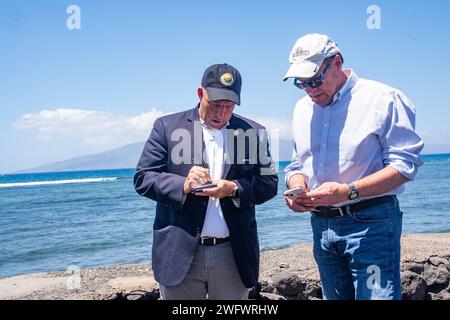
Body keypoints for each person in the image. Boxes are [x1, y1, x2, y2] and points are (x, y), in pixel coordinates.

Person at [282, 34, 424, 300]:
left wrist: (349, 191)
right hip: (321, 225)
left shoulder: (383, 98)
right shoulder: (301, 108)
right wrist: (297, 188)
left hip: (372, 223)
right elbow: (296, 164)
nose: (310, 89)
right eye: (301, 83)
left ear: (336, 62)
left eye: (314, 79)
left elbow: (405, 166)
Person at [134, 63, 278, 300]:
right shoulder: (166, 127)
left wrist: (234, 189)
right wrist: (183, 185)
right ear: (201, 94)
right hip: (178, 254)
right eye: (215, 104)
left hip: (233, 254)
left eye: (228, 106)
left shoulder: (254, 132)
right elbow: (142, 178)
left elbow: (270, 183)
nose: (221, 113)